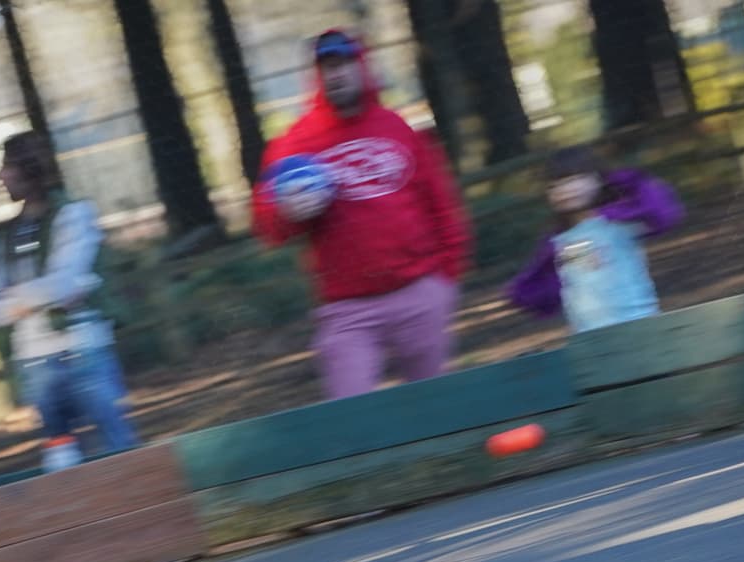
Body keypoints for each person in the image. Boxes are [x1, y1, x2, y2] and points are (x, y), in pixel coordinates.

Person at [251, 28, 472, 401]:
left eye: (344, 64)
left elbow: (443, 206)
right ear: (317, 77)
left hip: (419, 295)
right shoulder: (295, 144)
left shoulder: (397, 129)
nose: (336, 74)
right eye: (327, 67)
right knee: (351, 420)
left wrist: (445, 281)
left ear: (362, 67)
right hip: (347, 310)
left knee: (435, 411)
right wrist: (287, 213)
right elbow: (265, 222)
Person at [0, 131, 140, 472]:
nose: (2, 176)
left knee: (118, 446)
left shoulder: (74, 215)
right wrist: (49, 293)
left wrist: (24, 298)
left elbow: (64, 283)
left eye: (8, 167)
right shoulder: (2, 237)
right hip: (34, 360)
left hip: (83, 350)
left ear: (30, 169)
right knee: (60, 459)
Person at [507, 146, 682, 334]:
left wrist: (622, 180)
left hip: (637, 325)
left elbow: (662, 213)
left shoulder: (618, 223)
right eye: (555, 185)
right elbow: (571, 278)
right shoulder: (561, 239)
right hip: (589, 335)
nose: (566, 189)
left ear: (596, 179)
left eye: (574, 179)